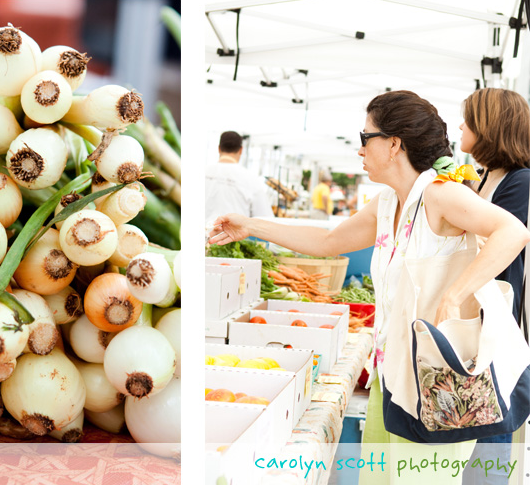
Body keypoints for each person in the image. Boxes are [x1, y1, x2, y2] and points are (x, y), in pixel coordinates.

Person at [209, 90, 530, 484]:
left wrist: (456, 293)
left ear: (394, 144)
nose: (360, 150)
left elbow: (513, 231)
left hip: (437, 383)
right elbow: (327, 243)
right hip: (391, 377)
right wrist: (252, 226)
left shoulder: (440, 194)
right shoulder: (388, 203)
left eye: (366, 138)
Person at [459, 88, 530, 485]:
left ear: (489, 127)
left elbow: (500, 248)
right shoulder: (487, 176)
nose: (460, 127)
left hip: (498, 330)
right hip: (477, 326)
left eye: (467, 120)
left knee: (490, 429)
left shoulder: (520, 181)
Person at [205, 131, 274, 227]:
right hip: (234, 240)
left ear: (219, 148)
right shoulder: (251, 179)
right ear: (241, 150)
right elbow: (265, 219)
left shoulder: (204, 171)